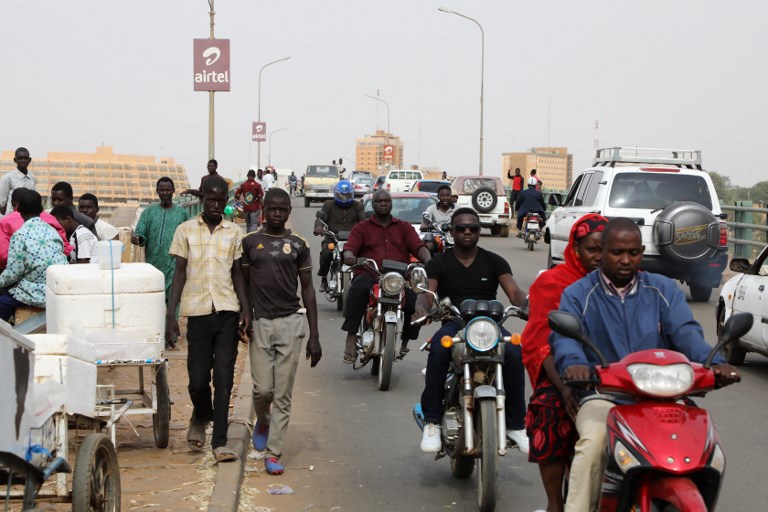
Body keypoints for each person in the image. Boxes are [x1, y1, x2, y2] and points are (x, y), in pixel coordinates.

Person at [550, 217, 741, 512]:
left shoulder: (663, 289)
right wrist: (575, 364)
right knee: (593, 444)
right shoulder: (578, 294)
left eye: (634, 252)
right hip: (605, 396)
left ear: (642, 252)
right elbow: (565, 340)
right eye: (617, 252)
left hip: (665, 397)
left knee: (707, 447)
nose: (626, 260)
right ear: (602, 253)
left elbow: (687, 335)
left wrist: (715, 363)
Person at [415, 207, 530, 454]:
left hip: (489, 323)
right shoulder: (439, 263)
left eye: (473, 228)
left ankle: (516, 425)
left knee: (514, 351)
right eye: (461, 228)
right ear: (451, 232)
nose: (467, 232)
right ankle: (432, 421)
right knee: (437, 349)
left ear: (479, 231)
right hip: (455, 322)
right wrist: (422, 309)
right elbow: (427, 294)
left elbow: (514, 293)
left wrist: (528, 305)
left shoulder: (494, 260)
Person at [521, 213, 608, 512]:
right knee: (549, 409)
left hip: (614, 373)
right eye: (591, 249)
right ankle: (555, 503)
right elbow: (541, 343)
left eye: (604, 249)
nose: (598, 257)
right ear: (575, 248)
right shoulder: (552, 282)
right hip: (561, 373)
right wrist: (566, 389)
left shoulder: (624, 283)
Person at [165, 175, 251, 463]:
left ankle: (220, 441)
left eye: (221, 200)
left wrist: (246, 310)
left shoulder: (234, 232)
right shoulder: (185, 230)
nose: (216, 205)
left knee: (224, 378)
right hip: (198, 312)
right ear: (202, 198)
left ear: (226, 202)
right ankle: (200, 415)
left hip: (227, 310)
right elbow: (179, 272)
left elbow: (238, 273)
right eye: (211, 200)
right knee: (198, 380)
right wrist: (171, 314)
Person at [242, 188, 322, 475]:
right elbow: (243, 280)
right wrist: (246, 313)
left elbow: (309, 289)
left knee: (283, 394)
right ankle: (263, 420)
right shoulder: (250, 242)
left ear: (289, 211)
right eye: (272, 208)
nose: (277, 213)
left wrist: (314, 335)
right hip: (261, 323)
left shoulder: (298, 244)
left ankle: (273, 453)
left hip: (291, 322)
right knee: (262, 389)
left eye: (282, 209)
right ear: (263, 209)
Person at [341, 189, 430, 363]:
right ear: (372, 205)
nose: (383, 204)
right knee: (357, 290)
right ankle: (351, 337)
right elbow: (350, 247)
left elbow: (418, 246)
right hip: (370, 274)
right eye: (379, 201)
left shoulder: (404, 227)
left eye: (386, 201)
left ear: (391, 204)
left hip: (399, 278)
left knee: (415, 300)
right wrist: (350, 256)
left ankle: (405, 340)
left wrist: (429, 260)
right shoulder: (362, 227)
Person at [131, 177, 190, 346]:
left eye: (168, 189)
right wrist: (138, 239)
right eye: (162, 190)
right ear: (157, 192)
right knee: (155, 302)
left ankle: (170, 336)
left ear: (173, 191)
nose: (165, 193)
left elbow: (188, 236)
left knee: (173, 299)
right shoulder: (149, 213)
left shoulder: (182, 213)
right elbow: (140, 233)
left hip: (174, 263)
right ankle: (156, 335)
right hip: (153, 265)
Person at [0, 190, 68, 321]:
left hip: (34, 293)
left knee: (3, 303)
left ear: (18, 209)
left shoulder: (20, 235)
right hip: (56, 287)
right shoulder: (53, 231)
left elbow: (14, 272)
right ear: (41, 209)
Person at [0, 187, 71, 269]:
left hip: (20, 271)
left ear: (14, 204)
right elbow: (65, 247)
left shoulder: (5, 221)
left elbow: (3, 255)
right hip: (54, 270)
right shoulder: (51, 219)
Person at [313, 180, 364, 293]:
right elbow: (320, 219)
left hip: (353, 239)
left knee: (365, 255)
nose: (344, 198)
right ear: (335, 194)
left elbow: (363, 221)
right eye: (341, 195)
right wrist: (318, 228)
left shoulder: (358, 206)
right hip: (333, 237)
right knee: (326, 252)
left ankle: (363, 279)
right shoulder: (328, 205)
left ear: (352, 194)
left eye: (347, 195)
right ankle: (324, 279)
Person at [0, 147, 36, 215]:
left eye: (26, 158)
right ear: (15, 160)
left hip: (28, 215)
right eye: (20, 158)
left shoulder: (32, 178)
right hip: (12, 215)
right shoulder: (8, 178)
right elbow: (2, 203)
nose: (23, 161)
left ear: (29, 160)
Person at [420, 184, 455, 254]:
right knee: (429, 245)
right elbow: (424, 224)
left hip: (453, 236)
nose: (445, 198)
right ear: (438, 197)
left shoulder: (458, 208)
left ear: (450, 196)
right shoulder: (431, 209)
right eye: (442, 196)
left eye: (447, 196)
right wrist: (428, 226)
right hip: (436, 237)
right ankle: (429, 263)